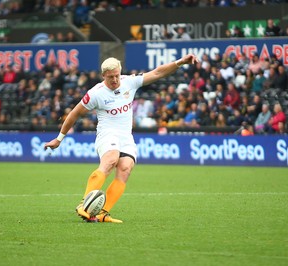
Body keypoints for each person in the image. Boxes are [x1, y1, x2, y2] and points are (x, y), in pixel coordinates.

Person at [44, 54, 199, 223]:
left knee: (125, 168)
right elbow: (74, 114)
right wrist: (59, 138)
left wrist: (180, 62)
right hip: (107, 134)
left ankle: (103, 213)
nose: (115, 80)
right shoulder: (95, 93)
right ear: (103, 76)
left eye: (117, 75)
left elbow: (157, 73)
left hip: (126, 136)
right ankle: (84, 204)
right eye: (111, 77)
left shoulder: (128, 82)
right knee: (111, 159)